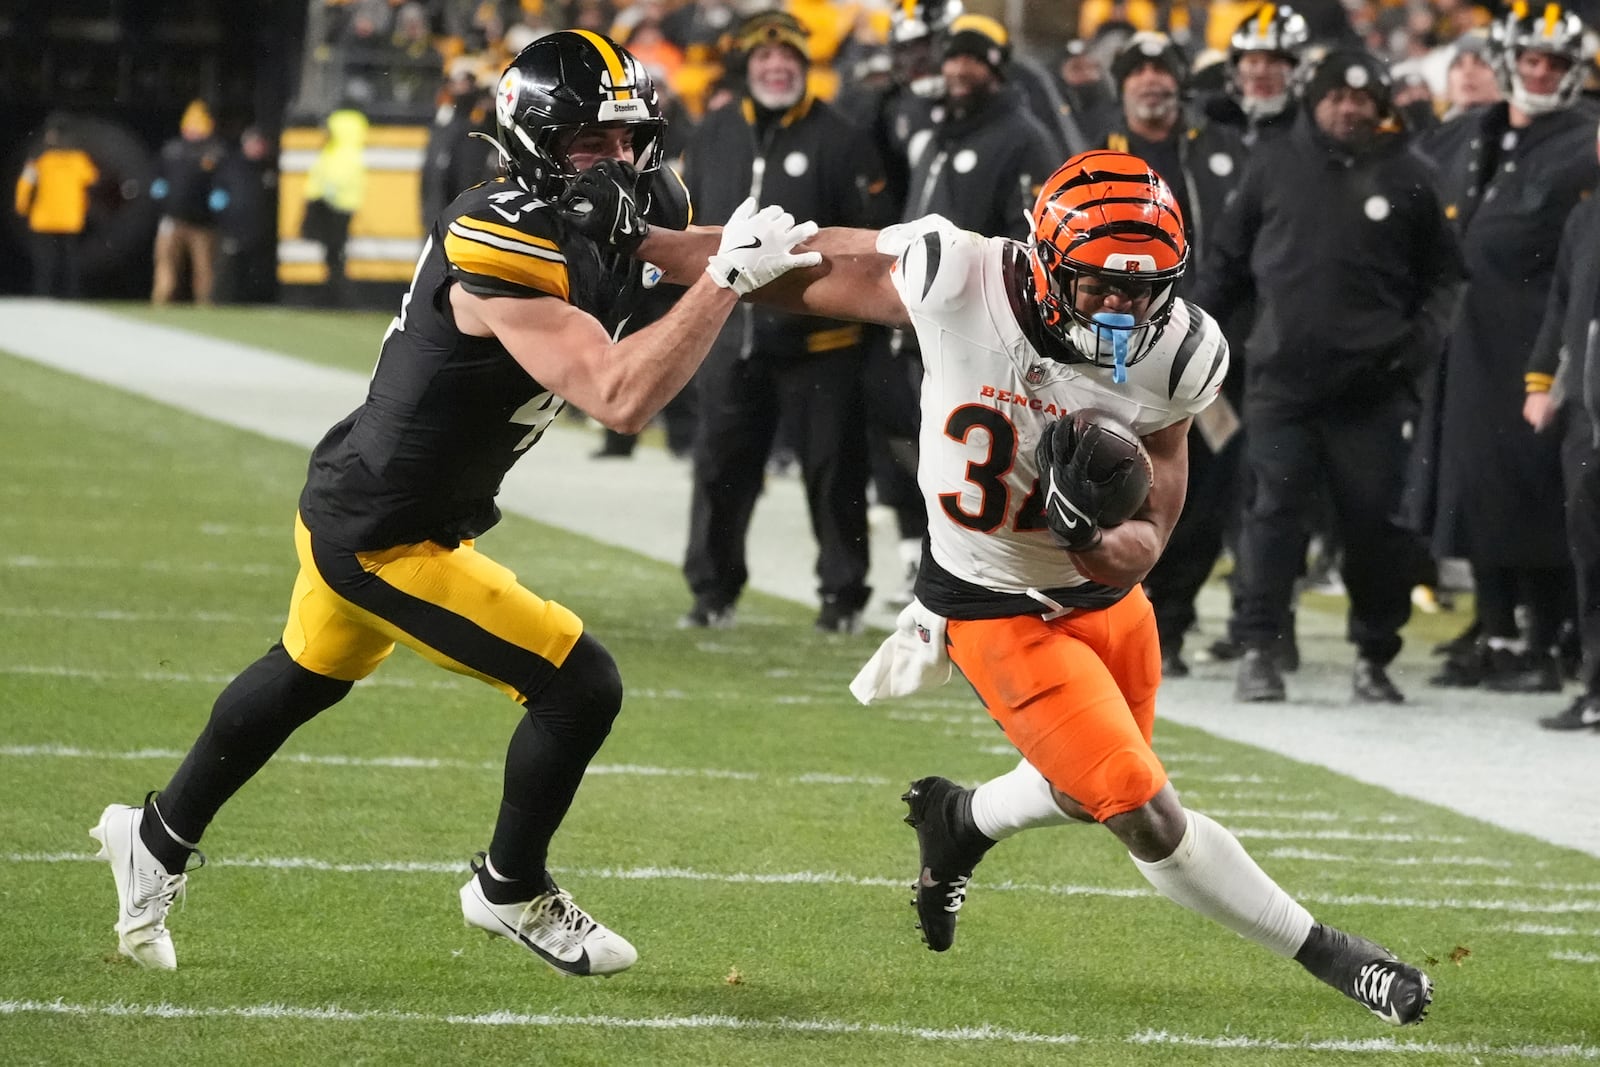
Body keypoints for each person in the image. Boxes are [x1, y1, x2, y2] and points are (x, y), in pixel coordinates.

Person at [564, 147, 1433, 1025]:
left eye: (1144, 288)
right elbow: (797, 261)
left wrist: (1091, 534)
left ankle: (961, 820)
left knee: (1083, 781)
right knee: (1141, 808)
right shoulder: (960, 277)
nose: (1124, 307)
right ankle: (1328, 952)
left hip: (1105, 603)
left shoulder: (1182, 351)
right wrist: (649, 244)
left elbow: (1151, 537)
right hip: (991, 604)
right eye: (1098, 285)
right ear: (1047, 263)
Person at [88, 30, 819, 977]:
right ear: (535, 144)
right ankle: (510, 887)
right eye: (591, 143)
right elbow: (619, 394)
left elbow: (718, 250)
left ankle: (153, 838)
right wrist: (726, 281)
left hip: (367, 490)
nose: (620, 162)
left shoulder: (620, 205)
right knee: (579, 684)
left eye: (630, 138)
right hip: (382, 531)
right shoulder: (498, 231)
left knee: (305, 673)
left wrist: (900, 263)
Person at [1198, 48, 1462, 704]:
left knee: (1373, 523)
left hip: (1374, 389)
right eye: (1335, 98)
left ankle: (1375, 653)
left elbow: (1446, 278)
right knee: (1272, 515)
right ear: (1314, 100)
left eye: (1361, 100)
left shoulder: (1412, 175)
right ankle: (1259, 645)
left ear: (1380, 107)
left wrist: (1416, 349)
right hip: (1282, 382)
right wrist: (1201, 342)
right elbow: (1225, 264)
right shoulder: (1273, 164)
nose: (1347, 109)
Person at [675, 10, 888, 634]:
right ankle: (712, 592)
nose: (776, 67)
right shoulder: (713, 132)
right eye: (765, 59)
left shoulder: (843, 138)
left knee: (834, 474)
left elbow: (872, 244)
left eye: (788, 58)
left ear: (805, 65)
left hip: (822, 343)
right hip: (729, 334)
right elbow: (691, 228)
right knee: (719, 470)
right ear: (748, 66)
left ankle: (842, 598)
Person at [1413, 3, 1599, 692]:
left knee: (1537, 491)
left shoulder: (1584, 143)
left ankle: (1542, 637)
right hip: (1471, 336)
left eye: (1553, 62)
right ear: (1510, 61)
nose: (1541, 72)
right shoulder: (1477, 130)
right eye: (1531, 59)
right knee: (1477, 486)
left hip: (1540, 342)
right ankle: (1495, 630)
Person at [1524, 119, 1600, 732]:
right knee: (1591, 551)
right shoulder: (1585, 216)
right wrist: (1541, 378)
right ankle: (1596, 686)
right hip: (1590, 416)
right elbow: (1562, 304)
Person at [150, 99, 226, 305]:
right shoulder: (172, 150)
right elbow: (157, 175)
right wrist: (159, 196)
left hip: (202, 223)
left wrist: (218, 202)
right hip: (172, 219)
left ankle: (205, 302)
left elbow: (222, 181)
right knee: (165, 263)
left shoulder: (214, 152)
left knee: (204, 266)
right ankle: (161, 300)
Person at [13, 118, 99, 299]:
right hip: (70, 217)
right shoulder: (78, 160)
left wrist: (21, 207)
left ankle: (42, 294)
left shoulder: (40, 159)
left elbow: (25, 184)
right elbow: (93, 179)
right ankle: (71, 294)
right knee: (70, 261)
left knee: (44, 261)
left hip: (44, 217)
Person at [301, 107, 369, 308]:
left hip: (337, 209)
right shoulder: (341, 151)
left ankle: (337, 295)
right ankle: (334, 292)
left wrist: (323, 193)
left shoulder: (342, 152)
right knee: (333, 253)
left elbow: (336, 178)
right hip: (333, 207)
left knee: (335, 253)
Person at [213, 127, 279, 305]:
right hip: (234, 231)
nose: (258, 147)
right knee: (230, 271)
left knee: (258, 273)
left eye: (260, 144)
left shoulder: (270, 168)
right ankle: (225, 302)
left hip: (261, 234)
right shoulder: (232, 167)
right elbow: (217, 197)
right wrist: (224, 220)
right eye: (254, 143)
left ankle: (257, 301)